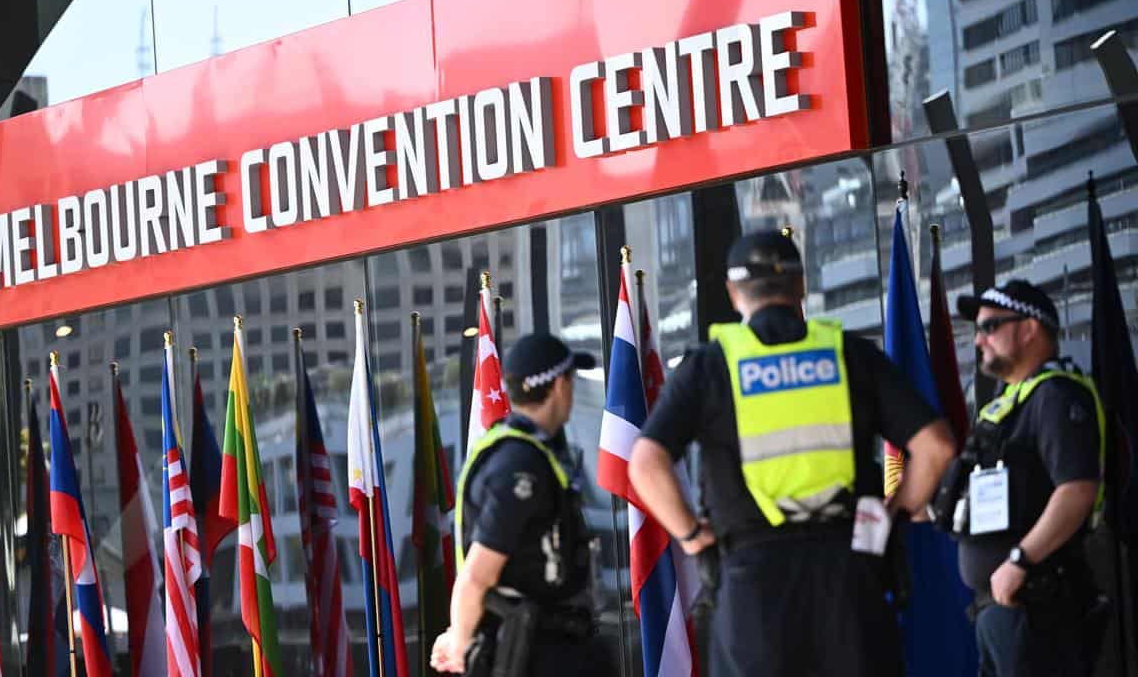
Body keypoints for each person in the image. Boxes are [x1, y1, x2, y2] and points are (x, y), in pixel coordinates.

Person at [627, 230, 956, 677]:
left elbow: (646, 463)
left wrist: (689, 535)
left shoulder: (710, 366)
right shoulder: (849, 355)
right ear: (800, 285)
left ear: (733, 293)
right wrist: (894, 511)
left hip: (753, 585)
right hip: (848, 579)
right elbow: (936, 446)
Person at [430, 333, 612, 677]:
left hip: (555, 643)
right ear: (559, 385)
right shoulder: (519, 465)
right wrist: (460, 643)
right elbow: (478, 574)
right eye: (571, 381)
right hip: (540, 651)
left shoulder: (529, 451)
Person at [947, 280, 1105, 676]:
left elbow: (1078, 489)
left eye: (990, 327)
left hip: (1036, 604)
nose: (979, 341)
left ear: (1030, 328)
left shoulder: (1055, 396)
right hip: (997, 609)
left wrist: (1019, 560)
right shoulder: (1008, 405)